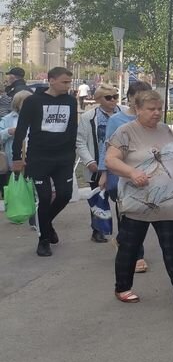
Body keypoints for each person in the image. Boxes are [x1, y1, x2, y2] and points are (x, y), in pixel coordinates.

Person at [104, 89, 173, 305]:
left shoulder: (164, 130)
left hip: (170, 203)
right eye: (151, 109)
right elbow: (111, 160)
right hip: (138, 203)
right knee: (130, 247)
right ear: (138, 109)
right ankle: (122, 287)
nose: (156, 113)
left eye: (159, 109)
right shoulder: (126, 132)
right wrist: (132, 172)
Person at [12, 67, 78, 257]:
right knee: (45, 197)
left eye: (69, 82)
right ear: (51, 80)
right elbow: (21, 130)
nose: (68, 86)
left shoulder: (71, 102)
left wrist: (71, 154)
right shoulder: (33, 101)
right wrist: (17, 158)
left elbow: (72, 129)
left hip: (63, 158)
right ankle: (44, 240)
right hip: (39, 158)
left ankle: (46, 224)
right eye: (64, 82)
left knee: (65, 195)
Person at [106, 81, 152, 273]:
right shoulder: (116, 120)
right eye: (139, 97)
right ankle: (136, 255)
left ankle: (122, 241)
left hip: (146, 174)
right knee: (128, 214)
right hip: (122, 174)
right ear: (131, 98)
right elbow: (108, 149)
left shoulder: (152, 118)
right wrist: (104, 173)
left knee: (142, 213)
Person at [76, 82, 124, 243]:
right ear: (98, 99)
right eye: (108, 97)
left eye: (115, 97)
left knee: (122, 198)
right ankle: (98, 229)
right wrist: (89, 161)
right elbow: (80, 142)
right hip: (97, 164)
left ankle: (124, 231)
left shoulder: (124, 113)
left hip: (121, 164)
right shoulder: (88, 117)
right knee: (99, 198)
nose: (113, 100)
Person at [0, 90, 33, 210]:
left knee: (32, 185)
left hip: (34, 156)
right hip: (15, 158)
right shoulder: (8, 119)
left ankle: (32, 210)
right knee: (16, 185)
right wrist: (8, 131)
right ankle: (16, 209)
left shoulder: (37, 117)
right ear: (17, 103)